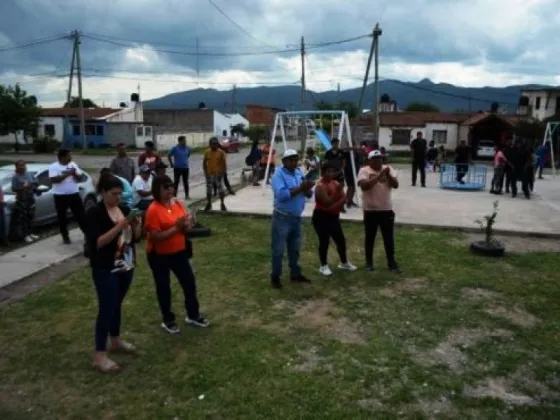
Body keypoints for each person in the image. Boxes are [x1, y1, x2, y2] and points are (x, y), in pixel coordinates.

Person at [85, 173, 142, 373]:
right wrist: (120, 225)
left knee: (116, 304)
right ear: (103, 193)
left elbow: (135, 238)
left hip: (125, 265)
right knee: (106, 308)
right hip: (104, 266)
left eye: (120, 194)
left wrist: (136, 224)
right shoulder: (95, 213)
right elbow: (97, 243)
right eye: (113, 194)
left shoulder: (124, 209)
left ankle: (115, 340)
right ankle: (99, 355)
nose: (118, 198)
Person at [144, 175, 209, 334]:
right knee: (163, 286)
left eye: (171, 186)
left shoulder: (178, 204)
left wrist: (188, 224)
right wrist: (177, 228)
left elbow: (184, 228)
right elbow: (155, 236)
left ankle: (193, 315)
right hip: (159, 255)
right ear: (157, 190)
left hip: (179, 251)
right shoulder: (153, 209)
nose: (169, 190)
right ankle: (168, 320)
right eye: (165, 188)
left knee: (189, 282)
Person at [270, 149, 314, 289]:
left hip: (296, 217)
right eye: (291, 160)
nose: (294, 162)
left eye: (296, 159)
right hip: (281, 217)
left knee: (294, 249)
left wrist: (307, 189)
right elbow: (282, 195)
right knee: (278, 249)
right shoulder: (278, 175)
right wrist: (301, 188)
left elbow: (307, 194)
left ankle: (295, 274)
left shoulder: (299, 173)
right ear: (284, 162)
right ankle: (275, 276)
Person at [357, 150, 400, 273]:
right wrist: (379, 176)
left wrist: (388, 176)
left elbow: (395, 185)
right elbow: (364, 186)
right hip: (370, 210)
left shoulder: (388, 169)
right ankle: (369, 262)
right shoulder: (364, 170)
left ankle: (391, 262)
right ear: (369, 161)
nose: (378, 161)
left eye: (380, 158)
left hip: (386, 210)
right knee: (370, 237)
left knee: (388, 238)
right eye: (375, 159)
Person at [312, 161, 356, 276]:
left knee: (340, 240)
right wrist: (339, 198)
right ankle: (323, 265)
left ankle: (344, 262)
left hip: (333, 217)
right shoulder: (320, 186)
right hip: (321, 217)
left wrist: (340, 201)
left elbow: (343, 197)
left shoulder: (335, 183)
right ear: (323, 172)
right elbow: (326, 203)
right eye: (328, 171)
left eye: (332, 171)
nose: (331, 174)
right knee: (324, 241)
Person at [48, 148, 87, 244]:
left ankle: (87, 233)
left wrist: (74, 174)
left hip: (74, 194)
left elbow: (80, 178)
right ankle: (65, 236)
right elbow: (54, 180)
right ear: (62, 157)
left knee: (80, 215)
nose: (71, 157)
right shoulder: (54, 167)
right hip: (60, 196)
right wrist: (67, 174)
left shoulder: (73, 165)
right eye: (69, 155)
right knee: (62, 217)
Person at [11, 160, 39, 243]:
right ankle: (25, 235)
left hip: (30, 197)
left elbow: (36, 182)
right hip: (22, 199)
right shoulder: (15, 177)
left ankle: (31, 233)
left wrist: (33, 184)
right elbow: (13, 189)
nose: (22, 167)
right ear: (16, 167)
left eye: (23, 165)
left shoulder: (29, 174)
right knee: (23, 218)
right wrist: (23, 187)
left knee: (31, 216)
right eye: (20, 165)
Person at [203, 137, 227, 212]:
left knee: (221, 190)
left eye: (216, 144)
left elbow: (224, 165)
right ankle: (209, 203)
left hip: (218, 175)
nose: (214, 145)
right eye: (213, 144)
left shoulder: (221, 152)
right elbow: (204, 163)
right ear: (210, 144)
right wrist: (206, 173)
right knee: (208, 190)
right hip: (209, 175)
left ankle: (222, 203)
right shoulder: (207, 152)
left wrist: (222, 174)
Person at [323, 138, 347, 212]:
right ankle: (331, 205)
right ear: (332, 143)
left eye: (337, 143)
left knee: (341, 190)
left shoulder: (341, 152)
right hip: (331, 174)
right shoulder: (328, 153)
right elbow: (326, 164)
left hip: (339, 173)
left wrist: (340, 171)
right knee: (330, 190)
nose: (336, 144)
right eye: (334, 143)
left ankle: (341, 206)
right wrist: (329, 173)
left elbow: (344, 163)